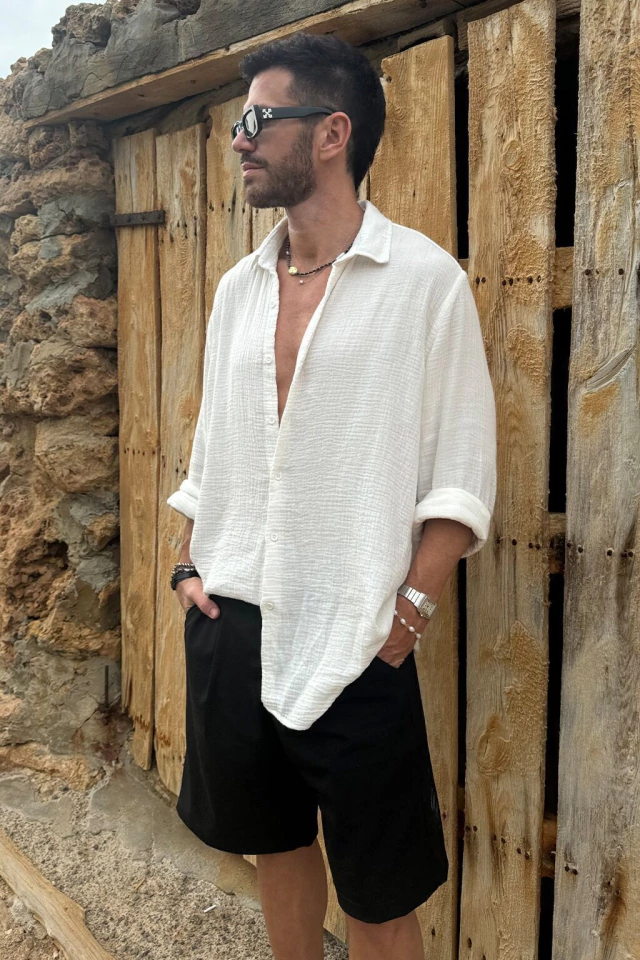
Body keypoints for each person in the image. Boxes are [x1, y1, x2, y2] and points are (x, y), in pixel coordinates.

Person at [166, 31, 496, 960]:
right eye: (240, 123)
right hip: (234, 618)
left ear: (331, 133)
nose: (240, 139)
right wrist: (189, 566)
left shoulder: (423, 282)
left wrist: (412, 606)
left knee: (380, 889)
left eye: (260, 119)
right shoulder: (238, 290)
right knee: (275, 845)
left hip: (357, 633)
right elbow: (215, 447)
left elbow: (462, 471)